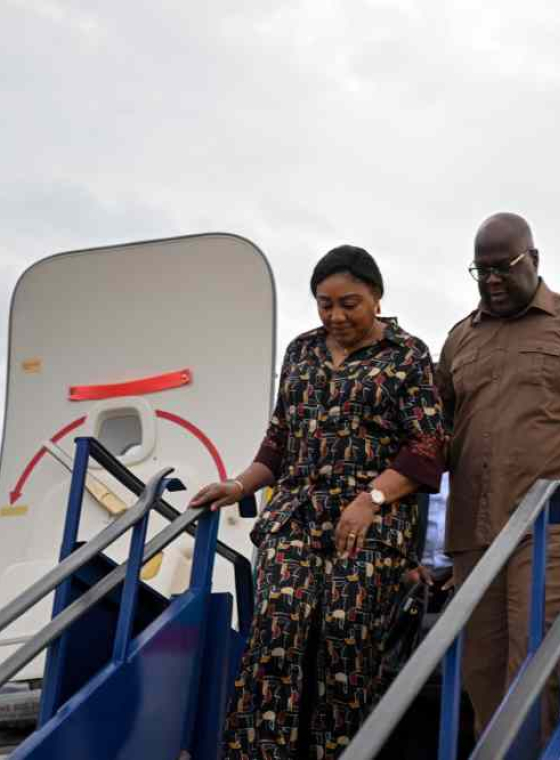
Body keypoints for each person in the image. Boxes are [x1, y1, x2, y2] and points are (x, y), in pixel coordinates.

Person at [190, 246, 446, 760]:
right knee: (278, 624)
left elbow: (428, 446)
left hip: (370, 521)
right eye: (324, 304)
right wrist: (238, 486)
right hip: (295, 513)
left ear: (376, 297)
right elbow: (280, 440)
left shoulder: (406, 355)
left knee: (343, 637)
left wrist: (370, 498)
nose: (336, 316)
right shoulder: (301, 352)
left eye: (349, 303)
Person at [436, 213, 560, 738]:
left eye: (504, 267)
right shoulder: (460, 339)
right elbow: (430, 434)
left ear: (535, 260)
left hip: (549, 531)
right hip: (473, 534)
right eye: (481, 271)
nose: (493, 281)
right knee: (479, 675)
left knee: (535, 668)